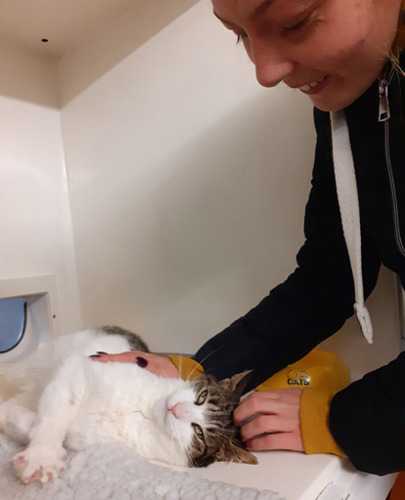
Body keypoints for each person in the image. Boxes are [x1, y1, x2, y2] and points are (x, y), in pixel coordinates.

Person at [94, 0, 405, 476]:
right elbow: (328, 278)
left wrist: (351, 421)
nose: (265, 72)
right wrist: (198, 375)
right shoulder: (348, 99)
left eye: (295, 21)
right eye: (239, 34)